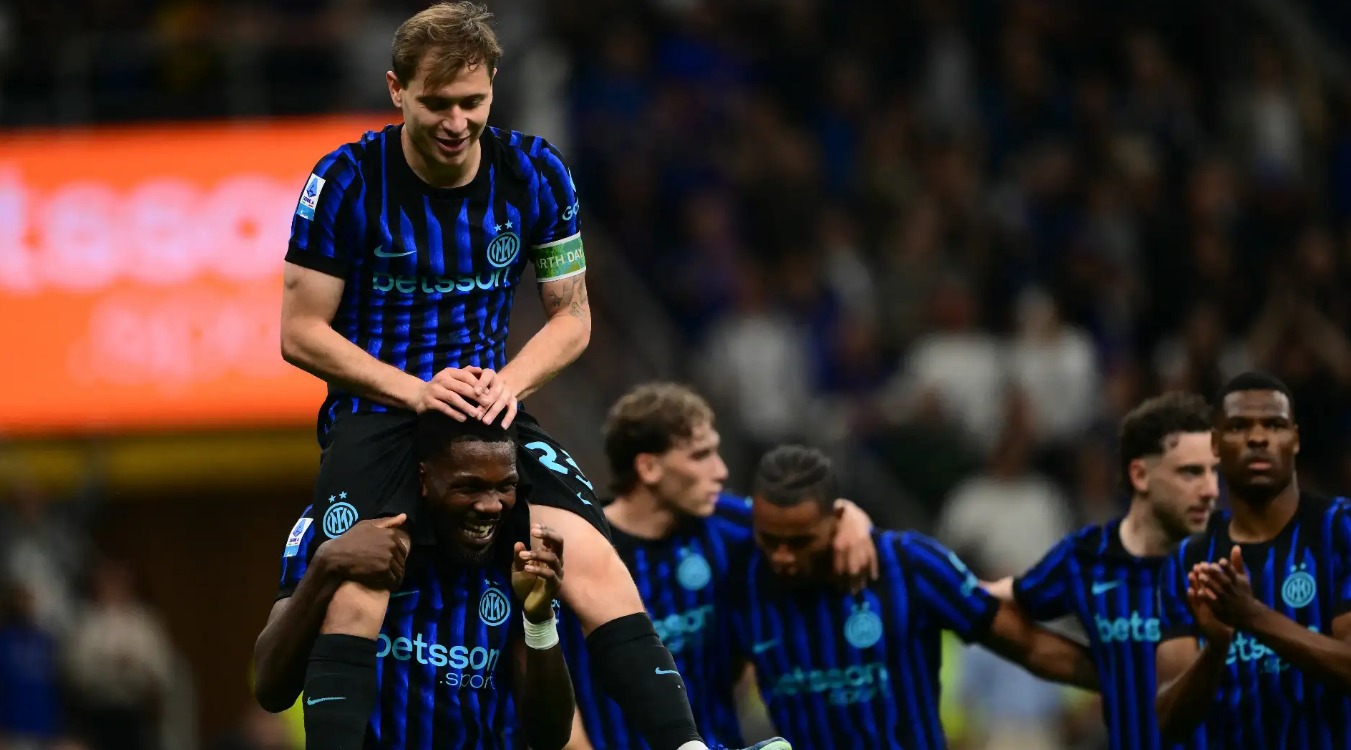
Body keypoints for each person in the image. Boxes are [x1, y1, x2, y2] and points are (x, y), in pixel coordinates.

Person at [277, 3, 769, 749]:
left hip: (489, 415)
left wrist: (507, 384)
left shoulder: (535, 173)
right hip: (379, 414)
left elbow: (572, 317)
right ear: (397, 90)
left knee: (592, 558)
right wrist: (416, 389)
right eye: (436, 103)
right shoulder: (346, 180)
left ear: (493, 90)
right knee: (358, 588)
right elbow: (300, 332)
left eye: (471, 102)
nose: (456, 122)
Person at [559, 383, 878, 749]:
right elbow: (553, 676)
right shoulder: (581, 545)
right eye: (701, 455)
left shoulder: (723, 524)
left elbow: (809, 521)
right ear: (649, 467)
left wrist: (850, 517)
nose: (721, 471)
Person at [729, 445, 1099, 748]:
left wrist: (1121, 674)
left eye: (800, 542)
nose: (782, 556)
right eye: (770, 540)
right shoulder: (742, 581)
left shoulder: (910, 566)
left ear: (837, 518)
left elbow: (1028, 645)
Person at [253, 411, 575, 749]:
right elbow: (271, 690)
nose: (491, 506)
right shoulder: (340, 526)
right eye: (469, 486)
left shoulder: (519, 551)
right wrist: (325, 565)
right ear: (424, 478)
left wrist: (540, 619)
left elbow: (550, 736)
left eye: (505, 486)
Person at [985, 392, 1219, 749]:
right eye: (1191, 472)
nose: (1210, 490)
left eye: (1214, 471)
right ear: (1140, 475)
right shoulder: (1087, 558)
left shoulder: (1231, 558)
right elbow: (1008, 598)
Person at [1155, 371, 1351, 747]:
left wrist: (1251, 616)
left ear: (1295, 439)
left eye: (1274, 425)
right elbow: (1167, 721)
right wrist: (1215, 650)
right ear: (1215, 444)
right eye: (1239, 426)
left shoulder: (1339, 529)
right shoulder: (1187, 561)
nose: (1258, 438)